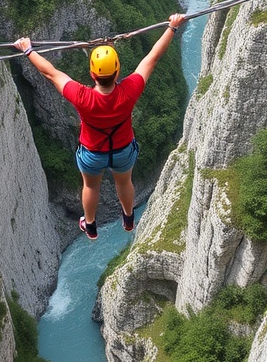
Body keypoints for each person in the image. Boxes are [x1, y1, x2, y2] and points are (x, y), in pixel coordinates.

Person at [14, 14, 188, 240]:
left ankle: (90, 225)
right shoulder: (129, 90)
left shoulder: (81, 96)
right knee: (124, 181)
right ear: (117, 71)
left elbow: (50, 73)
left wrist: (28, 50)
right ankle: (128, 218)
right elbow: (152, 59)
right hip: (123, 150)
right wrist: (172, 28)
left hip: (92, 153)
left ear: (92, 74)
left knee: (91, 187)